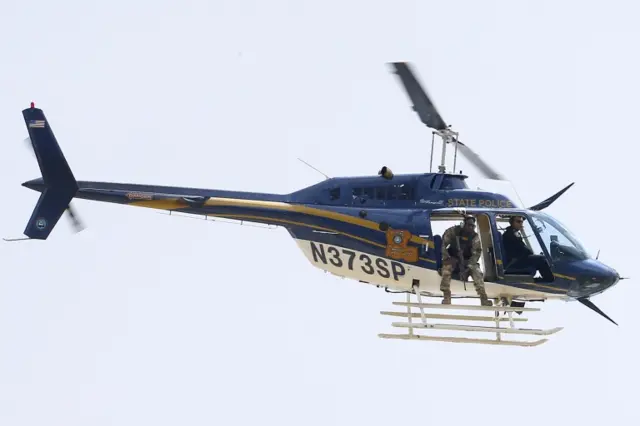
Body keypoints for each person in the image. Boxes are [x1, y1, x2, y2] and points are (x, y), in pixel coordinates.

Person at [440, 215, 493, 306]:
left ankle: (483, 297)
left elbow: (477, 253)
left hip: (467, 261)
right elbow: (442, 245)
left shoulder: (474, 237)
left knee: (477, 271)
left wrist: (468, 267)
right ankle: (446, 295)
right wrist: (447, 258)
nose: (471, 228)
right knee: (446, 269)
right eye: (469, 225)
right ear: (463, 224)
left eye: (473, 226)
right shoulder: (453, 231)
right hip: (452, 259)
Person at [502, 216, 554, 282]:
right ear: (511, 222)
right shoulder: (510, 234)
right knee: (541, 259)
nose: (521, 224)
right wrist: (532, 253)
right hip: (514, 261)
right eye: (518, 221)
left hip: (517, 259)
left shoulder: (513, 233)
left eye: (522, 222)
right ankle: (549, 280)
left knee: (539, 258)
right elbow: (522, 248)